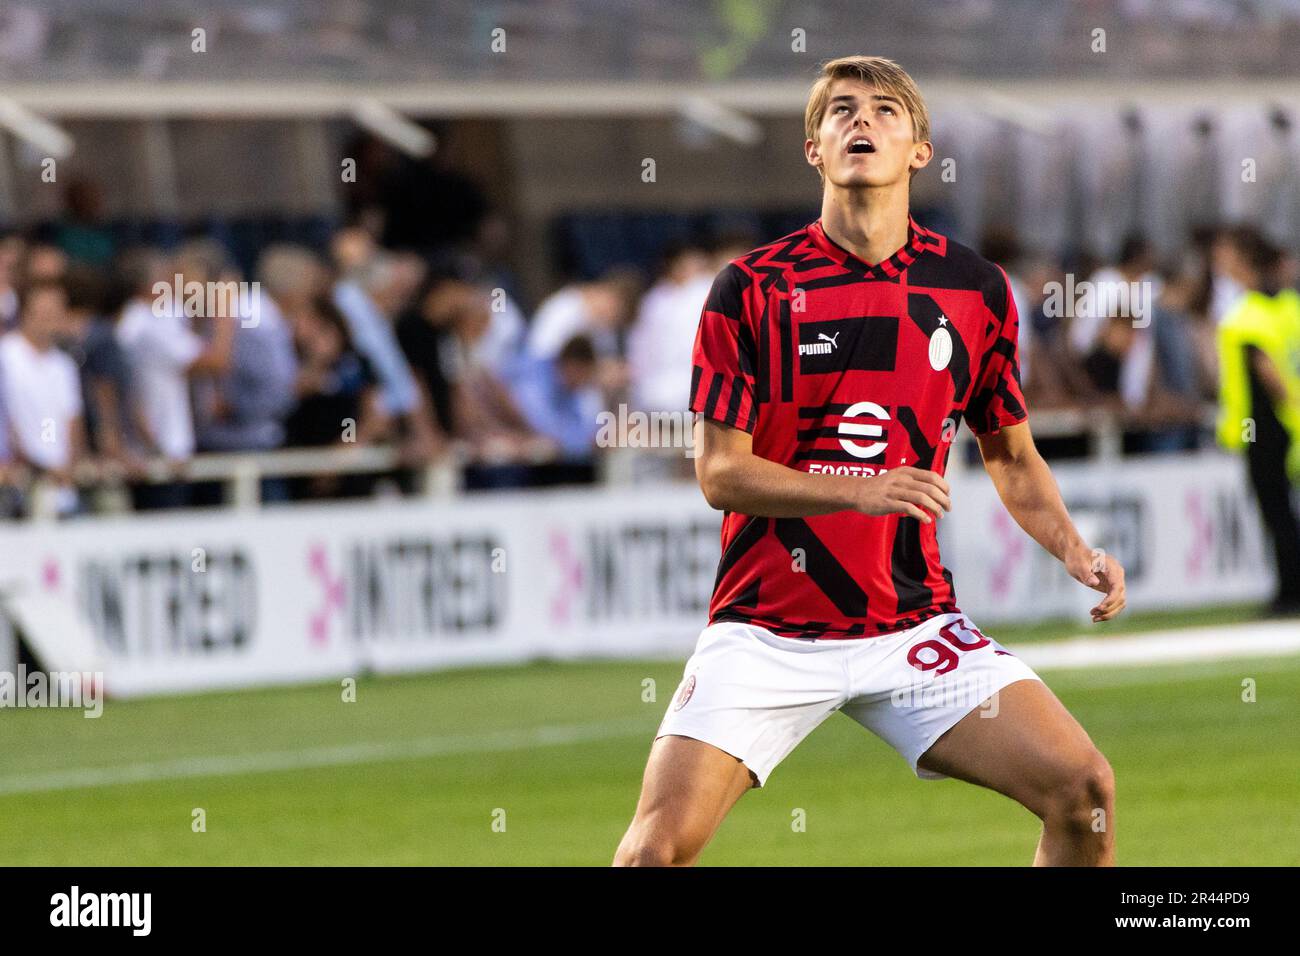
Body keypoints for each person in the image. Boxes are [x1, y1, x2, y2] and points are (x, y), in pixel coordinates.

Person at [615, 56, 1125, 868]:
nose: (863, 122)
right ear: (813, 148)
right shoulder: (749, 288)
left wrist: (1074, 547)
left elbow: (1011, 453)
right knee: (654, 853)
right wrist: (858, 488)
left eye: (887, 111)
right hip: (767, 629)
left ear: (920, 149)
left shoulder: (975, 289)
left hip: (912, 627)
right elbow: (720, 474)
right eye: (842, 111)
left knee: (1084, 791)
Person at [1213, 226, 1300, 616]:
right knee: (1285, 509)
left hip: (1265, 427)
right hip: (1288, 424)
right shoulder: (1287, 306)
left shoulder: (1248, 313)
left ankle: (1289, 592)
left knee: (1276, 511)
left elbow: (1268, 373)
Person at [0, 278, 85, 515]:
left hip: (62, 484)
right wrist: (37, 465)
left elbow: (72, 420)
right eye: (44, 314)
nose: (50, 321)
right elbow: (6, 419)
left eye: (56, 314)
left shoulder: (64, 365)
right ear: (26, 314)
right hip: (20, 483)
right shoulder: (6, 356)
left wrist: (70, 466)